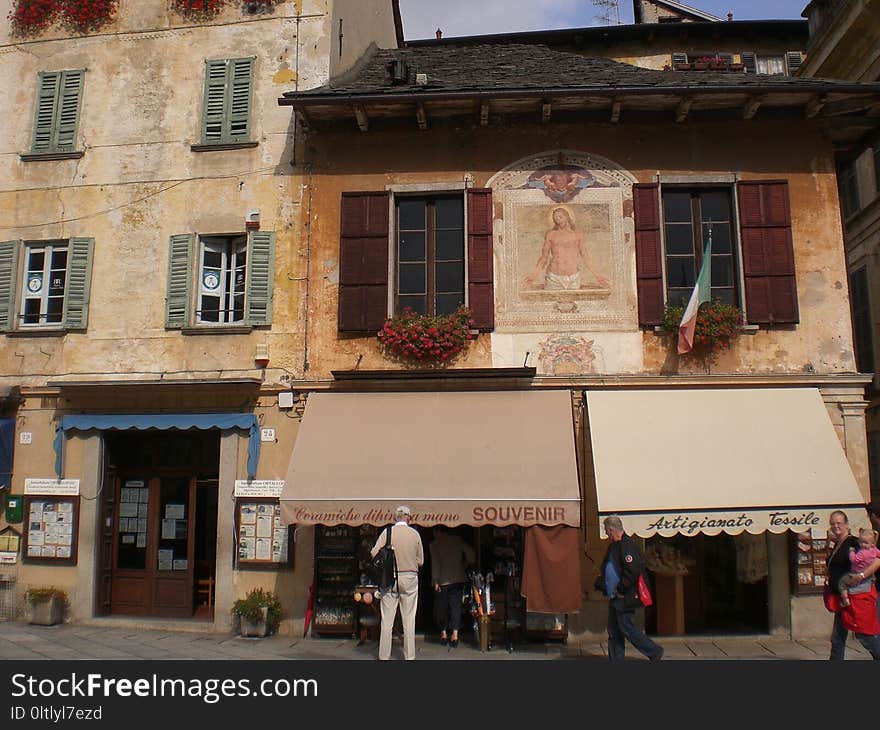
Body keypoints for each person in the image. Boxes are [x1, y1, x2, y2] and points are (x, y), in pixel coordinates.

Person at [597, 515, 663, 662]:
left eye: (607, 531)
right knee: (614, 630)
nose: (607, 534)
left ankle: (654, 651)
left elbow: (632, 570)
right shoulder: (615, 546)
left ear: (612, 529)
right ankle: (615, 659)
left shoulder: (627, 545)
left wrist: (621, 589)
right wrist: (602, 583)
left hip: (625, 596)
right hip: (616, 596)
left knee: (627, 628)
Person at [371, 505, 424, 660]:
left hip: (389, 578)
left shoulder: (387, 533)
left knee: (387, 620)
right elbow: (420, 561)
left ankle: (384, 656)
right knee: (409, 619)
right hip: (409, 578)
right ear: (408, 517)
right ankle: (409, 656)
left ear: (395, 517)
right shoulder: (415, 535)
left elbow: (374, 552)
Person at [825, 510, 880, 660]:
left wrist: (862, 575)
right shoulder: (837, 543)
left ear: (846, 524)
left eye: (839, 523)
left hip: (854, 597)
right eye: (833, 523)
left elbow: (877, 561)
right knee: (837, 638)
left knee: (864, 635)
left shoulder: (854, 543)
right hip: (841, 598)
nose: (836, 526)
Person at [524, 207, 610, 291]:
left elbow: (585, 257)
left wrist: (599, 277)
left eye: (560, 217)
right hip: (554, 277)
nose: (558, 220)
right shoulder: (551, 234)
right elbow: (543, 258)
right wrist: (532, 277)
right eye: (555, 218)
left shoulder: (577, 234)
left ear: (567, 217)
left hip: (573, 278)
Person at [429, 526, 475, 648]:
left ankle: (443, 633)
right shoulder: (457, 540)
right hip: (458, 578)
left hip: (442, 580)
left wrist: (435, 580)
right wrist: (464, 565)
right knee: (456, 607)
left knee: (442, 607)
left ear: (438, 531)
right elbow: (471, 555)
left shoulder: (434, 544)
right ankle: (455, 634)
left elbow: (436, 564)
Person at [838, 528, 880, 607]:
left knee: (842, 583)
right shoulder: (875, 550)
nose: (862, 545)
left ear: (872, 543)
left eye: (865, 543)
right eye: (861, 542)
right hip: (868, 573)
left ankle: (845, 599)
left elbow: (854, 559)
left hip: (857, 572)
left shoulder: (863, 553)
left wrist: (851, 552)